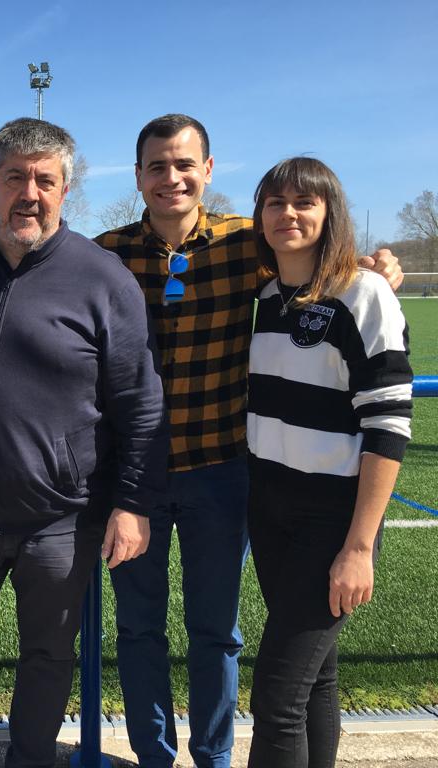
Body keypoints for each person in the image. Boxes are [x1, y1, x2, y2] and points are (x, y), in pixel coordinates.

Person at [92, 115, 404, 768]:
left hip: (223, 473)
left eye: (184, 165)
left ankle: (213, 758)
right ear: (139, 175)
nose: (170, 177)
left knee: (216, 634)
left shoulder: (246, 243)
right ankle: (153, 756)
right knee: (139, 629)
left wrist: (375, 267)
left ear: (208, 171)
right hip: (135, 479)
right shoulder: (107, 251)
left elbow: (321, 265)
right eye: (156, 165)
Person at [0, 117, 168, 768]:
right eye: (15, 178)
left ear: (65, 189)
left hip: (60, 520)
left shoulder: (102, 277)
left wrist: (134, 503)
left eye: (45, 180)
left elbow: (139, 401)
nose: (30, 193)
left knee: (49, 658)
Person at [245, 157, 412, 767]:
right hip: (268, 506)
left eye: (304, 203)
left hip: (331, 516)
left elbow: (389, 426)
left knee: (277, 694)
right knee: (316, 677)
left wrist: (360, 546)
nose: (288, 214)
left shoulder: (362, 294)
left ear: (329, 212)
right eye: (275, 203)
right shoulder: (264, 298)